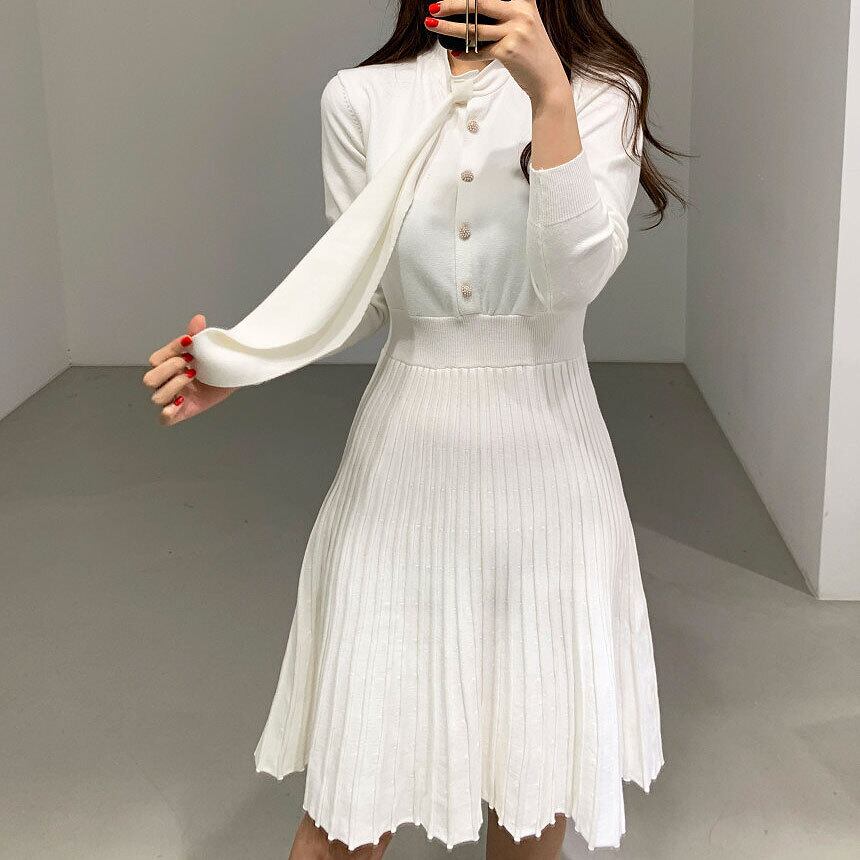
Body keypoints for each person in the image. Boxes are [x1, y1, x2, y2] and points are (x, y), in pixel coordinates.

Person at [143, 1, 687, 857]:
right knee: (351, 800)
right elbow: (362, 287)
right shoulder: (361, 98)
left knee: (530, 786)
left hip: (549, 475)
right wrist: (243, 362)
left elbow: (572, 281)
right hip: (402, 465)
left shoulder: (599, 92)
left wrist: (549, 96)